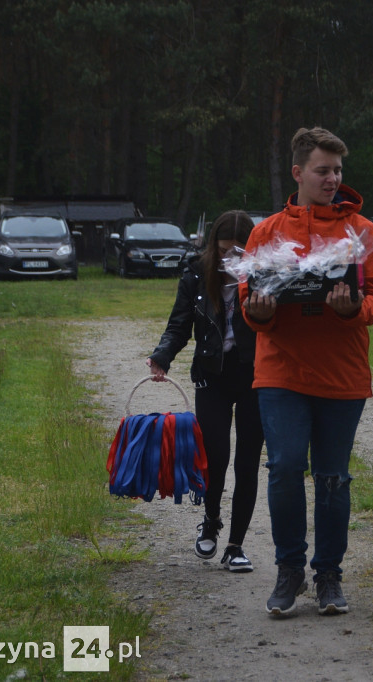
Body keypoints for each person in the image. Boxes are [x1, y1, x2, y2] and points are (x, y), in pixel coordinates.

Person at [240, 127, 373, 617]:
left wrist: (351, 310)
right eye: (323, 171)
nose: (332, 179)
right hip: (281, 373)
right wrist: (259, 313)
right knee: (284, 469)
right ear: (298, 172)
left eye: (338, 171)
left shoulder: (362, 232)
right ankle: (289, 570)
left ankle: (328, 575)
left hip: (341, 375)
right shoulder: (266, 233)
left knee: (332, 478)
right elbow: (248, 305)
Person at [147, 210, 264, 573]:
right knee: (214, 455)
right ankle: (211, 521)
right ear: (214, 246)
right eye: (224, 250)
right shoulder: (197, 272)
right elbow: (179, 324)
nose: (231, 259)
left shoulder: (265, 273)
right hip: (211, 375)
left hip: (255, 375)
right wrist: (162, 356)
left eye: (238, 252)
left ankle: (236, 545)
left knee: (248, 461)